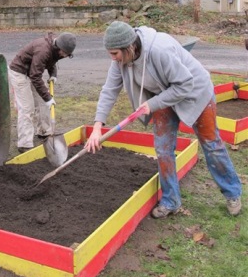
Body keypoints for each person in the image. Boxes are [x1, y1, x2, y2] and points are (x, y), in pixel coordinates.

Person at [86, 21, 242, 218]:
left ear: (130, 47)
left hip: (195, 92)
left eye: (115, 53)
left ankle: (232, 193)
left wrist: (151, 104)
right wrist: (98, 126)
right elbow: (109, 90)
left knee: (211, 145)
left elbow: (185, 84)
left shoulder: (160, 50)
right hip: (163, 97)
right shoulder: (120, 60)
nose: (113, 59)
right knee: (163, 148)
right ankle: (171, 201)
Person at [9, 32, 76, 153]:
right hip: (19, 72)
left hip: (32, 71)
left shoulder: (56, 49)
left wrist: (53, 75)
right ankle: (24, 144)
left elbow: (52, 60)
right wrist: (48, 98)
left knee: (43, 103)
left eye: (68, 54)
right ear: (59, 47)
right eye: (65, 53)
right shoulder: (43, 50)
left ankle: (44, 131)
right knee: (27, 107)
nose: (65, 56)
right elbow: (35, 76)